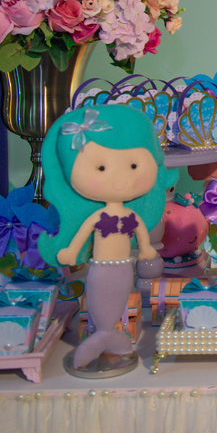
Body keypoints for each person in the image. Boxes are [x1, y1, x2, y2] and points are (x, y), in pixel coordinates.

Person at [38, 104, 176, 370]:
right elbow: (82, 235)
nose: (120, 178)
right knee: (99, 303)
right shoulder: (97, 217)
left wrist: (146, 250)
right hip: (100, 268)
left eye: (134, 165)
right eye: (101, 167)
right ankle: (103, 336)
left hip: (124, 268)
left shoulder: (132, 216)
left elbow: (141, 235)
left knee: (120, 300)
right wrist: (71, 251)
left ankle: (110, 337)